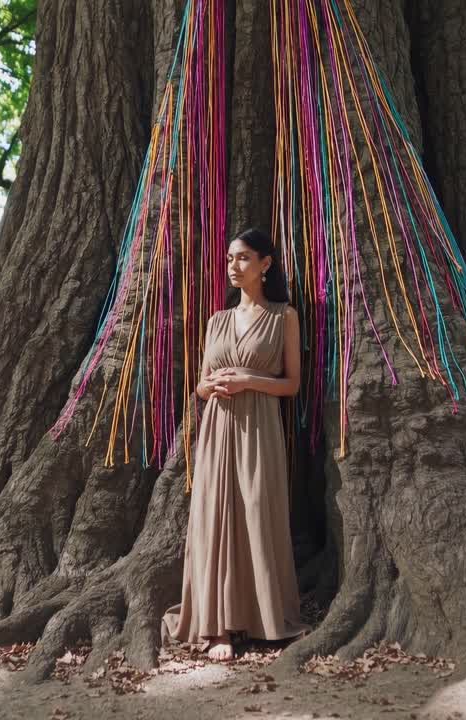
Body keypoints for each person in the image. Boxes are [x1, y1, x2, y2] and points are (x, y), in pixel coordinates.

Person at [160, 227, 312, 661]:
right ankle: (218, 628)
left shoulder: (284, 316)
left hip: (260, 426)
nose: (233, 265)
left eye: (243, 257)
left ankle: (265, 618)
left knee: (257, 512)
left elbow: (292, 385)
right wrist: (209, 387)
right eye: (230, 258)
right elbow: (201, 386)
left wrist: (248, 381)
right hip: (218, 428)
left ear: (266, 264)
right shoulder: (216, 321)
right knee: (216, 518)